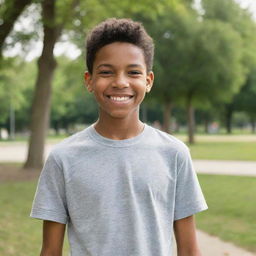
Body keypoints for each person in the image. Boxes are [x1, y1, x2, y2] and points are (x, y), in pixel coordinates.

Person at [31, 18, 208, 256]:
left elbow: (188, 249)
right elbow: (50, 251)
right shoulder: (63, 158)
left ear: (148, 81)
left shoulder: (174, 153)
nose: (120, 82)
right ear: (89, 81)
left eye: (133, 72)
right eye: (106, 72)